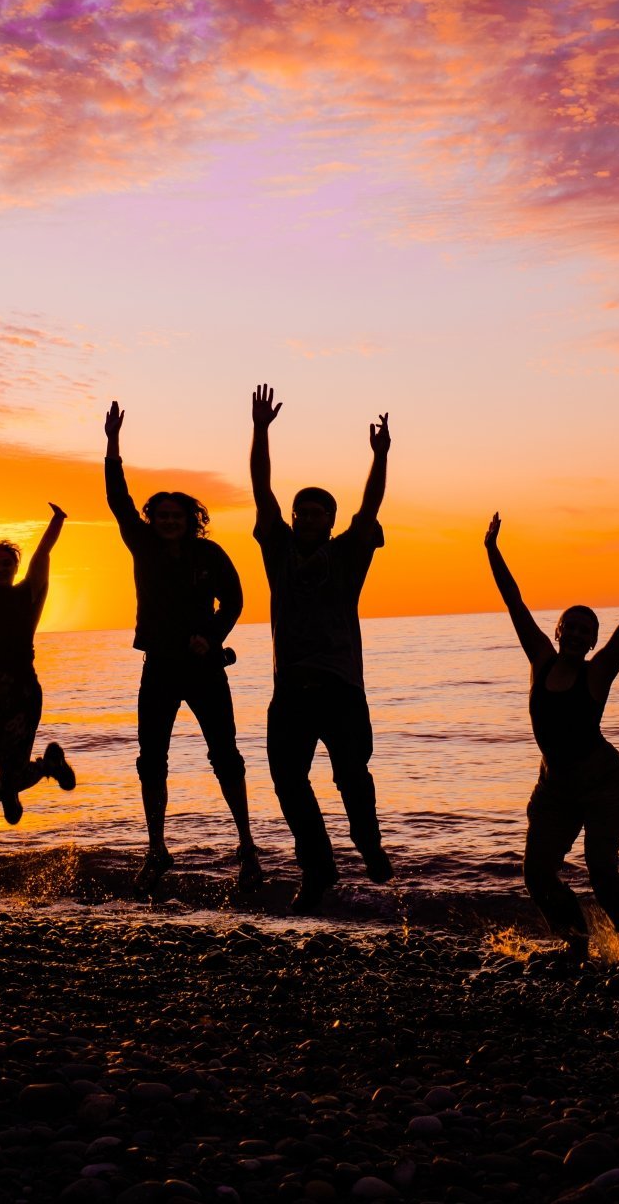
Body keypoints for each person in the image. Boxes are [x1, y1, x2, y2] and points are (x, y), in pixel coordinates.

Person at [484, 513, 619, 967]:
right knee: (536, 874)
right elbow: (513, 601)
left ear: (594, 640)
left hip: (603, 786)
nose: (577, 634)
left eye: (586, 630)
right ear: (558, 632)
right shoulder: (539, 660)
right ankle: (574, 940)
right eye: (570, 627)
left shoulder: (599, 673)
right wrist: (492, 549)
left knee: (601, 872)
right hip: (555, 789)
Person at [104, 401, 262, 894]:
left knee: (226, 756)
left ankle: (247, 845)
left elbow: (235, 600)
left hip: (204, 668)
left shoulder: (210, 553)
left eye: (178, 516)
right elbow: (117, 499)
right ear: (153, 520)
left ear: (193, 519)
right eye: (162, 515)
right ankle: (157, 848)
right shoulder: (143, 545)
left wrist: (211, 637)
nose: (169, 521)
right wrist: (112, 444)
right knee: (151, 759)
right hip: (159, 669)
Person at [250, 384, 393, 913]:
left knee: (352, 774)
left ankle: (368, 842)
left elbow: (371, 503)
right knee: (288, 780)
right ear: (293, 519)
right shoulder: (278, 551)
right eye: (300, 513)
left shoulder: (349, 554)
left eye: (316, 514)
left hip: (340, 688)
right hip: (290, 688)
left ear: (330, 522)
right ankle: (317, 866)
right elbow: (261, 489)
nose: (307, 519)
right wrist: (261, 430)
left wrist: (379, 457)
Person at [0, 488, 76, 825]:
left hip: (19, 694)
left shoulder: (27, 594)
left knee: (13, 772)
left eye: (5, 563)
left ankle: (39, 770)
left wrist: (57, 521)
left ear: (14, 567)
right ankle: (9, 790)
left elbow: (42, 555)